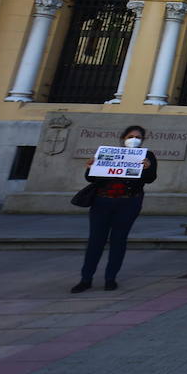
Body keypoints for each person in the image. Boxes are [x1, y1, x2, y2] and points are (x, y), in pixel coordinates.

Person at [72, 124, 157, 293]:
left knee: (119, 240)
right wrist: (90, 167)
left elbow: (150, 179)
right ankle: (86, 278)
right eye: (130, 137)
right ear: (123, 138)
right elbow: (91, 178)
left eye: (138, 137)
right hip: (103, 201)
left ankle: (110, 278)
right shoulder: (108, 153)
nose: (134, 140)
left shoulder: (147, 156)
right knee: (96, 241)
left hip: (128, 202)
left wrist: (146, 168)